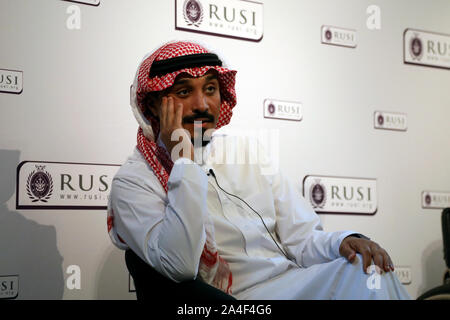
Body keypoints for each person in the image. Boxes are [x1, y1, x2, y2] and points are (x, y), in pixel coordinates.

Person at [107, 40, 411, 299]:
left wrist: (343, 241)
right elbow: (179, 266)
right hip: (234, 299)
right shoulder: (134, 181)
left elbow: (302, 240)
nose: (202, 104)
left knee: (371, 270)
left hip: (294, 282)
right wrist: (184, 164)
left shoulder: (247, 151)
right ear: (152, 106)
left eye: (210, 88)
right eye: (184, 92)